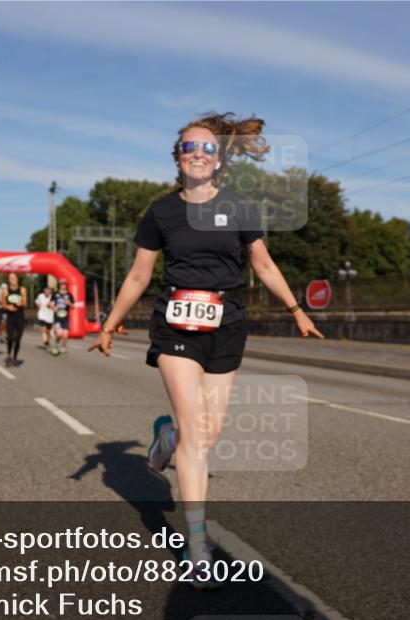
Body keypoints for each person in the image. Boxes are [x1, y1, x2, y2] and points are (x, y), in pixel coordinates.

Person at [89, 113, 323, 587]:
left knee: (207, 435)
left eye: (207, 148)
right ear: (177, 158)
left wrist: (297, 308)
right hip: (176, 325)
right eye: (189, 148)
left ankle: (163, 441)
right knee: (198, 434)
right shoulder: (160, 213)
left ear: (219, 159)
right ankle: (197, 547)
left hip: (228, 325)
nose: (198, 154)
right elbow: (139, 276)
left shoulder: (239, 207)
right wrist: (109, 324)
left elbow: (263, 265)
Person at [2, 272, 28, 367]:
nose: (12, 280)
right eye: (10, 278)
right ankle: (9, 354)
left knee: (18, 339)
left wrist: (21, 303)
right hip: (10, 317)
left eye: (14, 278)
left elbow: (25, 303)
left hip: (20, 316)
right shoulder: (5, 291)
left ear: (17, 279)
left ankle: (15, 357)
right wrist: (8, 307)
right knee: (11, 338)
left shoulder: (22, 289)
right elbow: (3, 304)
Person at [50, 279, 75, 356]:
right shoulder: (55, 294)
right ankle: (56, 345)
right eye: (61, 284)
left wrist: (69, 303)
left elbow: (73, 306)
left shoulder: (69, 295)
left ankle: (63, 348)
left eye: (64, 284)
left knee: (65, 335)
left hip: (66, 317)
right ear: (59, 285)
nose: (63, 285)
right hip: (57, 317)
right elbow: (50, 304)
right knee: (59, 334)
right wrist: (54, 308)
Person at [35, 284, 55, 349]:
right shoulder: (40, 296)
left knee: (48, 331)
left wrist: (52, 306)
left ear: (50, 291)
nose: (47, 291)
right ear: (44, 290)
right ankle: (45, 342)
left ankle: (47, 342)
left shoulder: (52, 297)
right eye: (46, 290)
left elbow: (55, 305)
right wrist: (38, 306)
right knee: (44, 329)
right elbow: (37, 302)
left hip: (50, 316)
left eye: (48, 290)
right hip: (42, 315)